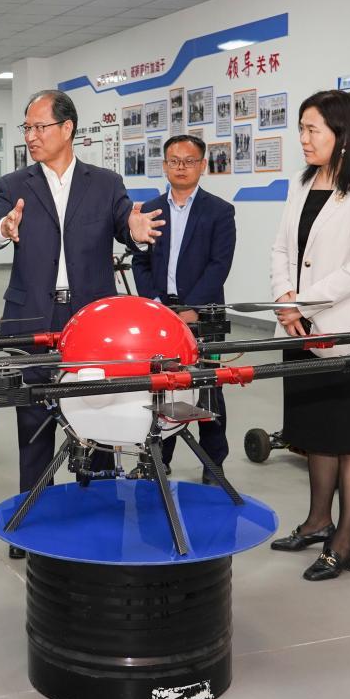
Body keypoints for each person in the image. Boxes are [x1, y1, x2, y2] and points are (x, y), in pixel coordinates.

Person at [0, 89, 164, 558]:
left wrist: (136, 232)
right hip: (33, 318)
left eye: (39, 126)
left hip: (91, 320)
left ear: (67, 129)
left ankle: (97, 509)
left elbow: (125, 221)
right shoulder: (13, 183)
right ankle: (31, 517)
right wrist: (3, 229)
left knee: (99, 413)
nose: (31, 136)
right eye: (27, 127)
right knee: (34, 420)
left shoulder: (104, 182)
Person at [267, 89, 350, 581]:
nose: (302, 138)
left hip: (344, 331)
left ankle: (345, 542)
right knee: (314, 431)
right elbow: (282, 249)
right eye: (300, 128)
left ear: (341, 134)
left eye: (311, 129)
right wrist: (284, 298)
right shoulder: (302, 183)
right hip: (298, 327)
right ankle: (317, 521)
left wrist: (301, 302)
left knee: (349, 438)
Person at [130, 134, 236, 479]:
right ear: (164, 166)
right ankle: (159, 459)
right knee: (162, 386)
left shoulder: (220, 211)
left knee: (208, 386)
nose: (181, 167)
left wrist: (192, 308)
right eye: (174, 161)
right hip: (160, 312)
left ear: (202, 166)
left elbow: (219, 265)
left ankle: (213, 463)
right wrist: (155, 304)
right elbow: (139, 261)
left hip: (203, 315)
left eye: (189, 161)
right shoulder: (149, 210)